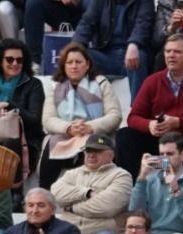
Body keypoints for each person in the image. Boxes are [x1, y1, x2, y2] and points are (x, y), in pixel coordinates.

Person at [118, 35, 183, 182]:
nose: (171, 55)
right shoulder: (152, 81)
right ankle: (127, 191)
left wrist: (178, 122)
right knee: (124, 135)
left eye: (177, 52)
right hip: (160, 154)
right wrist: (149, 125)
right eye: (167, 51)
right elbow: (133, 117)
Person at [41, 50, 126, 194]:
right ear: (64, 66)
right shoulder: (55, 86)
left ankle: (87, 197)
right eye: (70, 62)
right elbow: (48, 120)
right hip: (65, 134)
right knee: (52, 145)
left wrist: (90, 127)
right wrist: (68, 128)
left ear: (87, 65)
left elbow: (115, 116)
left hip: (93, 133)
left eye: (78, 62)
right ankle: (43, 194)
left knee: (90, 147)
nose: (74, 66)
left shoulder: (101, 83)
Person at [0, 38, 41, 183]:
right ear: (0, 61)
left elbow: (35, 122)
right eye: (10, 60)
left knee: (10, 143)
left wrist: (9, 106)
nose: (15, 64)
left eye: (19, 60)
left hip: (23, 142)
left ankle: (14, 194)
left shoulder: (34, 85)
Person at [73, 0, 154, 92]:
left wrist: (134, 44)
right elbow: (86, 23)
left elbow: (143, 24)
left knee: (139, 58)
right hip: (105, 55)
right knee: (79, 56)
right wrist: (76, 47)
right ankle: (76, 102)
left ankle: (136, 105)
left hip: (131, 52)